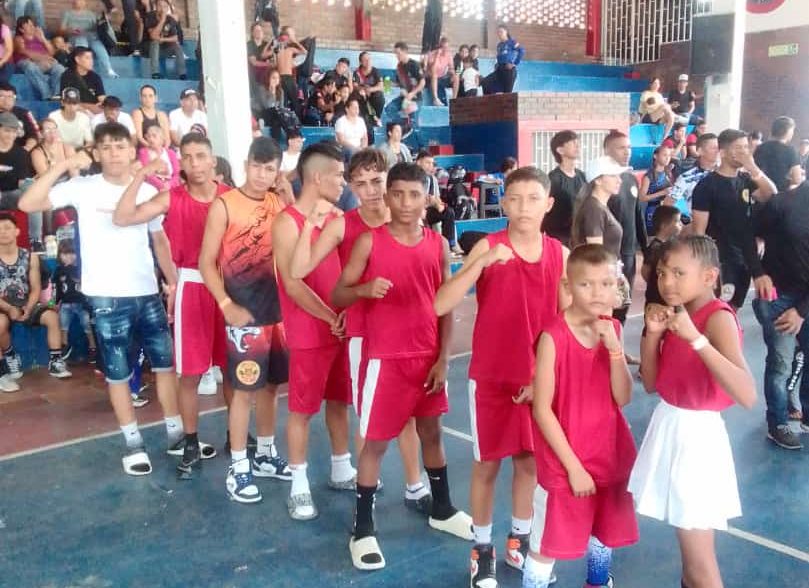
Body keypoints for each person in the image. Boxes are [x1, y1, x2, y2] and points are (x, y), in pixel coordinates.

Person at [20, 122, 183, 477]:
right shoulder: (82, 187)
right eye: (105, 147)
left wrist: (173, 283)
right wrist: (65, 165)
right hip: (106, 294)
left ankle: (176, 435)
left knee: (165, 366)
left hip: (147, 291)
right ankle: (133, 443)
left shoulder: (146, 189)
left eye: (120, 146)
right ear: (95, 152)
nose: (113, 153)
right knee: (118, 372)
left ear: (131, 151)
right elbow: (27, 202)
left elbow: (160, 241)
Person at [332, 162, 473, 570]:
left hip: (427, 358)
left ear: (427, 198)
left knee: (432, 434)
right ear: (387, 196)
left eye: (414, 194)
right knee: (375, 443)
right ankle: (362, 529)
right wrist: (363, 289)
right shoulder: (369, 242)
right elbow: (339, 294)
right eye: (398, 194)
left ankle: (441, 508)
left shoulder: (438, 244)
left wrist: (443, 359)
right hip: (386, 360)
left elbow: (445, 305)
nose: (406, 203)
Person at [434, 166, 568, 588]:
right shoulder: (488, 247)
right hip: (492, 378)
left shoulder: (559, 254)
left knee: (529, 462)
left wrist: (547, 377)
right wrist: (482, 264)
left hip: (538, 380)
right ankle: (482, 549)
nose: (524, 207)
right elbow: (441, 303)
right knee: (487, 466)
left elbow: (566, 322)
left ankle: (519, 540)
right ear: (504, 203)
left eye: (534, 199)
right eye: (516, 198)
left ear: (548, 204)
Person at [289, 148, 431, 514]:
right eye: (361, 183)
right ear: (351, 186)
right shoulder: (342, 225)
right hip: (365, 335)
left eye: (376, 182)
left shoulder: (407, 219)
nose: (370, 191)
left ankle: (415, 486)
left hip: (408, 333)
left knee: (409, 415)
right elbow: (298, 270)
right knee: (368, 418)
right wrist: (308, 224)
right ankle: (367, 491)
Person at [632, 235, 756, 588]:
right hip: (671, 426)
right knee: (690, 560)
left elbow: (747, 394)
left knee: (700, 563)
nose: (667, 282)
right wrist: (653, 335)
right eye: (661, 273)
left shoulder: (717, 318)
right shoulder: (679, 314)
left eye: (678, 273)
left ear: (708, 276)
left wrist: (696, 339)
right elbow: (652, 383)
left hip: (696, 440)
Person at [115, 133, 237, 476]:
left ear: (212, 160)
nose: (195, 163)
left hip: (230, 289)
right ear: (180, 162)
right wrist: (140, 175)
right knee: (191, 373)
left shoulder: (232, 197)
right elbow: (123, 217)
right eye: (188, 157)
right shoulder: (172, 197)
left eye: (201, 155)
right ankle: (190, 441)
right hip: (194, 287)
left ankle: (237, 435)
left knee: (233, 369)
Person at [523, 243, 638, 588]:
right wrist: (573, 468)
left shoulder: (612, 329)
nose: (598, 293)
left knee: (604, 532)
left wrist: (615, 351)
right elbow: (542, 409)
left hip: (608, 452)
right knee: (546, 545)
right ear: (568, 286)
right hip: (565, 462)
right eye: (587, 284)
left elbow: (623, 397)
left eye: (606, 283)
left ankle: (598, 582)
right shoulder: (553, 337)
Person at [196, 137, 291, 500]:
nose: (261, 174)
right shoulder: (225, 205)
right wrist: (225, 304)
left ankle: (265, 454)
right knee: (244, 391)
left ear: (277, 171)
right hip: (243, 314)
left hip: (277, 311)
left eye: (269, 169)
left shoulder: (278, 203)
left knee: (271, 386)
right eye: (256, 166)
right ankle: (238, 467)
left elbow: (295, 245)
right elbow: (206, 263)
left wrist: (290, 199)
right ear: (246, 164)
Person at [271, 141, 356, 520]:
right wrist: (328, 316)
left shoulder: (336, 217)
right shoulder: (286, 222)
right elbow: (292, 284)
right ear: (318, 177)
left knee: (339, 400)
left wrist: (344, 313)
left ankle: (341, 466)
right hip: (310, 330)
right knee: (302, 409)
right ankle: (299, 484)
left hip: (339, 327)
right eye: (338, 175)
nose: (343, 182)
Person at [751, 181, 809, 449]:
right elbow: (747, 235)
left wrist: (801, 311)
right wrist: (758, 273)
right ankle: (778, 422)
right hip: (779, 296)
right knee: (781, 363)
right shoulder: (782, 204)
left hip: (803, 301)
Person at [691, 129, 777, 310]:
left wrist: (753, 168)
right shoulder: (707, 185)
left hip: (745, 257)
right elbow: (698, 232)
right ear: (723, 152)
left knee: (734, 308)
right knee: (717, 309)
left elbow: (770, 194)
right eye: (739, 148)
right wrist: (705, 265)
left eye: (746, 147)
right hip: (721, 259)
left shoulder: (745, 180)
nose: (744, 152)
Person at [0, 212, 72, 385]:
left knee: (52, 317)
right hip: (2, 305)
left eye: (7, 228)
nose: (2, 232)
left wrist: (29, 307)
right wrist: (9, 308)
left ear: (17, 231)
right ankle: (9, 356)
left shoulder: (30, 256)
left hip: (26, 302)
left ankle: (55, 361)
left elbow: (36, 286)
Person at [604, 130, 646, 328]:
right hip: (610, 255)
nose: (627, 151)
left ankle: (618, 340)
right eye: (621, 148)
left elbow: (638, 216)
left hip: (629, 253)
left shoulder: (630, 179)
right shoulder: (601, 182)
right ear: (607, 150)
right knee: (607, 305)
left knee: (623, 305)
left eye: (629, 147)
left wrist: (646, 250)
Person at [53, 238, 96, 362]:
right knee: (63, 324)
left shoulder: (80, 269)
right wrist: (55, 302)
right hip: (66, 303)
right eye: (65, 254)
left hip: (81, 303)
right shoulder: (59, 270)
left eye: (72, 253)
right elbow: (57, 288)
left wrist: (89, 303)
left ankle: (93, 347)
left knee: (87, 324)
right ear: (59, 255)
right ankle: (65, 345)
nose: (69, 257)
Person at [0, 112, 39, 248]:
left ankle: (35, 240)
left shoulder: (21, 153)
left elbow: (22, 181)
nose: (10, 135)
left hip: (13, 194)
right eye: (7, 131)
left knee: (32, 190)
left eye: (13, 131)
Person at [416, 150, 463, 256]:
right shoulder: (412, 178)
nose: (430, 166)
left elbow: (436, 198)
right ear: (418, 162)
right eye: (427, 163)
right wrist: (432, 202)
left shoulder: (433, 179)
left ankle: (449, 245)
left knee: (449, 212)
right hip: (416, 211)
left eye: (432, 163)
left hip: (428, 210)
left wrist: (438, 204)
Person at [544, 130, 585, 246]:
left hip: (580, 237)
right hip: (559, 239)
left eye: (578, 142)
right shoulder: (553, 179)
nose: (577, 145)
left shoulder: (582, 176)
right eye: (572, 143)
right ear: (560, 150)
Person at [668, 132, 719, 223]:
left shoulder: (727, 173)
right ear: (700, 151)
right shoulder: (687, 177)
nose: (717, 151)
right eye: (713, 148)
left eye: (719, 147)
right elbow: (668, 204)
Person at [61, 0, 118, 78]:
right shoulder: (68, 13)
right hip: (76, 36)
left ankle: (109, 69)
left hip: (91, 36)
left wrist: (103, 21)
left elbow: (96, 27)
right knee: (82, 41)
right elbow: (61, 30)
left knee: (98, 45)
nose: (79, 2)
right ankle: (86, 70)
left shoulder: (91, 14)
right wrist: (71, 31)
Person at [13, 16, 66, 101]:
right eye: (29, 26)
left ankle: (55, 95)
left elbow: (52, 52)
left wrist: (43, 38)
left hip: (43, 63)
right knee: (30, 66)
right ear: (21, 30)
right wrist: (43, 58)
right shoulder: (19, 38)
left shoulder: (39, 37)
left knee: (60, 68)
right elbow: (24, 51)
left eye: (32, 25)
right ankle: (47, 95)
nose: (32, 27)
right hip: (26, 62)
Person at [641, 205, 683, 307]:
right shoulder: (656, 248)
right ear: (664, 225)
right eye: (677, 221)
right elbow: (645, 270)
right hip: (656, 298)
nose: (681, 224)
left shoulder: (669, 245)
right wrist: (655, 284)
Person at [753, 116, 802, 193]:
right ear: (788, 131)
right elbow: (797, 179)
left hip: (760, 190)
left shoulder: (759, 148)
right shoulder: (791, 151)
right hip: (780, 193)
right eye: (792, 130)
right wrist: (786, 181)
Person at [145, 0, 187, 80]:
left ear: (167, 8)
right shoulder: (150, 16)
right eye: (159, 6)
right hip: (148, 50)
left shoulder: (170, 19)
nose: (162, 9)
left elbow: (175, 37)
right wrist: (162, 20)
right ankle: (155, 73)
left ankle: (182, 74)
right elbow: (153, 36)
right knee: (155, 42)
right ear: (156, 6)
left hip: (164, 50)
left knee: (176, 46)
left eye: (164, 7)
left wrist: (162, 39)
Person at [59, 46, 106, 116]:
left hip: (95, 111)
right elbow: (68, 102)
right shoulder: (67, 76)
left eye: (92, 58)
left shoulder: (95, 77)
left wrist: (104, 103)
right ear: (77, 59)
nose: (91, 61)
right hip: (75, 111)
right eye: (87, 58)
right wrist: (91, 107)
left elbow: (101, 96)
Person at [387, 41, 425, 126]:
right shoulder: (399, 66)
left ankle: (410, 125)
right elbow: (398, 83)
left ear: (405, 52)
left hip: (416, 98)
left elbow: (422, 82)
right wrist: (388, 84)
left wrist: (412, 93)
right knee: (389, 109)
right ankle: (402, 126)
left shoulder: (414, 65)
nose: (397, 56)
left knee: (412, 118)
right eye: (395, 54)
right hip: (404, 97)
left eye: (398, 53)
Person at [640, 146, 673, 234]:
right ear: (655, 156)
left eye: (669, 155)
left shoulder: (668, 173)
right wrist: (662, 193)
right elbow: (642, 197)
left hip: (666, 209)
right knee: (653, 236)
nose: (667, 158)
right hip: (653, 211)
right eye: (664, 155)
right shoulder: (649, 176)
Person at [137, 124, 180, 191]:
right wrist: (162, 185)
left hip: (171, 186)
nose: (151, 139)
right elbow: (147, 173)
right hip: (152, 188)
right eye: (149, 136)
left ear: (161, 138)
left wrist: (169, 185)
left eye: (154, 136)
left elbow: (177, 174)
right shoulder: (143, 152)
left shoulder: (171, 153)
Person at [482, 25, 523, 95]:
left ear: (506, 32)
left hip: (508, 71)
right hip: (499, 70)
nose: (499, 34)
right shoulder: (499, 45)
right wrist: (497, 65)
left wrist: (514, 63)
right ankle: (490, 101)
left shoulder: (512, 42)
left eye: (501, 32)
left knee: (507, 93)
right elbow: (499, 57)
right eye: (498, 32)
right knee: (485, 82)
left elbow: (521, 51)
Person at [275, 26, 307, 114]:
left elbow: (305, 53)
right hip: (281, 77)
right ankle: (285, 117)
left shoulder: (290, 49)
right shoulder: (278, 50)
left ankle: (296, 118)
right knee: (283, 101)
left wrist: (295, 41)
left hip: (286, 77)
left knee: (293, 101)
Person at [0, 82, 38, 151]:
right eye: (2, 96)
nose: (7, 99)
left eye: (10, 96)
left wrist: (26, 149)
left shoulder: (24, 113)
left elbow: (34, 135)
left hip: (22, 151)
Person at [132, 84, 171, 149]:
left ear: (156, 98)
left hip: (161, 149)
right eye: (144, 96)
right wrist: (152, 148)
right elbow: (139, 138)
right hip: (145, 149)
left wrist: (164, 150)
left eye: (150, 96)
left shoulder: (162, 115)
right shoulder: (137, 113)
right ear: (140, 98)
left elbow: (167, 138)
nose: (147, 99)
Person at [353, 51, 385, 126]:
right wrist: (364, 89)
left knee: (379, 96)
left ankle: (377, 117)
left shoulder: (375, 71)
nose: (368, 61)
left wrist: (370, 90)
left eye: (369, 59)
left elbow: (381, 86)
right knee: (358, 96)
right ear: (361, 62)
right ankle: (363, 119)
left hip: (373, 94)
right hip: (362, 93)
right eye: (365, 60)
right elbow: (355, 86)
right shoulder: (357, 72)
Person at [428, 37, 459, 106]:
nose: (446, 50)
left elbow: (451, 68)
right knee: (434, 75)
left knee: (456, 76)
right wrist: (437, 55)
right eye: (444, 47)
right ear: (440, 47)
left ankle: (454, 100)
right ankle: (435, 99)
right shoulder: (432, 54)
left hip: (443, 78)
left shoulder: (449, 55)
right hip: (432, 79)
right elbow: (433, 69)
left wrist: (453, 73)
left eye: (447, 48)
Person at [247, 22, 273, 89]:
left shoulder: (266, 44)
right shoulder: (249, 44)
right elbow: (254, 63)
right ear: (252, 33)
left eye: (260, 30)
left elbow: (271, 59)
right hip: (253, 75)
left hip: (266, 75)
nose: (259, 32)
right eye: (256, 30)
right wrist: (268, 64)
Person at [0, 16, 15, 84]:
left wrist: (1, 62)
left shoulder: (4, 28)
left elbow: (9, 50)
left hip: (6, 61)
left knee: (2, 79)